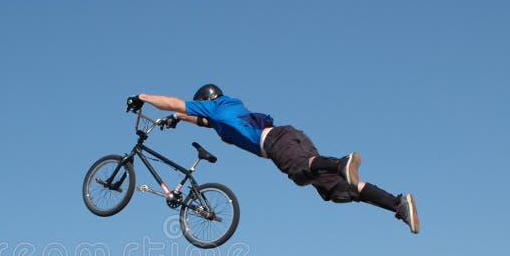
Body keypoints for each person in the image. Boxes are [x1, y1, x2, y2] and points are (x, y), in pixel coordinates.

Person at [126, 84, 420, 234]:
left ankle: (340, 163)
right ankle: (397, 204)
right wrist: (176, 120)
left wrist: (143, 97)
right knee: (336, 191)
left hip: (277, 142)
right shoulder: (228, 110)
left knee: (301, 171)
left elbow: (178, 103)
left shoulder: (214, 109)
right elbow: (196, 119)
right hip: (291, 136)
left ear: (206, 102)